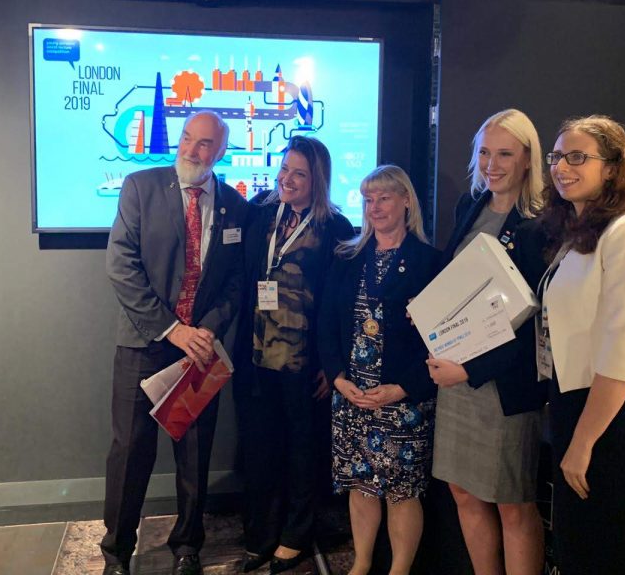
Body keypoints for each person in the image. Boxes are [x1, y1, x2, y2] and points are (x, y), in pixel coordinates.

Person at [100, 111, 248, 575]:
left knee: (195, 453)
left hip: (200, 348)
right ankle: (118, 552)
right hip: (146, 344)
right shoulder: (140, 187)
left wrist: (205, 330)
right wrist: (171, 329)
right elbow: (121, 265)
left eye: (204, 144)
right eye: (187, 138)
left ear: (220, 152)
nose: (191, 149)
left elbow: (234, 285)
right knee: (130, 453)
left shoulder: (235, 206)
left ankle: (188, 546)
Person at [537, 115, 625, 575]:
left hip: (616, 416)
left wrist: (583, 440)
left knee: (615, 553)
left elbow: (623, 350)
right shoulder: (579, 237)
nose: (561, 167)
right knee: (580, 550)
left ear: (612, 168)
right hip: (578, 404)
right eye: (557, 157)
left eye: (578, 157)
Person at [426, 109, 548, 575]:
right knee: (463, 490)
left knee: (513, 503)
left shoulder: (541, 225)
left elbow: (533, 323)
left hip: (504, 386)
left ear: (527, 161)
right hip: (457, 381)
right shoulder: (469, 206)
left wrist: (471, 370)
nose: (491, 163)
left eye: (504, 153)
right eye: (484, 152)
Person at [233, 136, 354, 574]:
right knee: (260, 447)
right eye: (285, 169)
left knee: (303, 449)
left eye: (299, 173)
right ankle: (262, 533)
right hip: (256, 358)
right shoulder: (261, 215)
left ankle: (297, 534)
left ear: (317, 179)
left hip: (305, 365)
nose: (287, 178)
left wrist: (330, 363)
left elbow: (340, 303)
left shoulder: (336, 228)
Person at [317, 164, 440, 575]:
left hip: (402, 399)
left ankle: (399, 569)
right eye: (369, 199)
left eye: (384, 198)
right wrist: (337, 379)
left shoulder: (430, 262)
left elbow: (440, 338)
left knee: (402, 492)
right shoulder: (347, 257)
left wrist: (404, 388)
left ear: (406, 201)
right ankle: (362, 563)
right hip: (352, 396)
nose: (375, 207)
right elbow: (326, 325)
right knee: (360, 486)